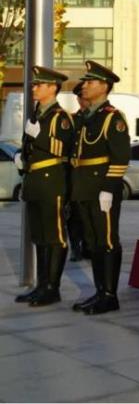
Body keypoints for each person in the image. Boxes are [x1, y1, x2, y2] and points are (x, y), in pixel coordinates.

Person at [70, 61, 131, 315]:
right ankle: (99, 291)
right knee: (93, 242)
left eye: (90, 82)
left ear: (104, 86)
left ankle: (109, 295)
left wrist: (109, 188)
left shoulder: (112, 117)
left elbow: (121, 156)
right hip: (84, 186)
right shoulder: (86, 116)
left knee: (107, 240)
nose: (84, 86)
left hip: (101, 187)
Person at [13, 66, 75, 306]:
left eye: (39, 85)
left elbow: (64, 148)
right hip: (35, 181)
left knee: (55, 236)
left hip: (52, 181)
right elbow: (29, 147)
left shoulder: (60, 117)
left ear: (53, 88)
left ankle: (52, 288)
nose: (34, 88)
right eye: (34, 85)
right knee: (40, 236)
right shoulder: (36, 115)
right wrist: (22, 159)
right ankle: (41, 285)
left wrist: (39, 136)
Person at [67, 82, 89, 262]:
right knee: (73, 216)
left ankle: (88, 246)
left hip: (91, 175)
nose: (84, 100)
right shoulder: (72, 119)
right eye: (81, 97)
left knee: (89, 215)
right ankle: (75, 247)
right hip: (74, 174)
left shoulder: (99, 117)